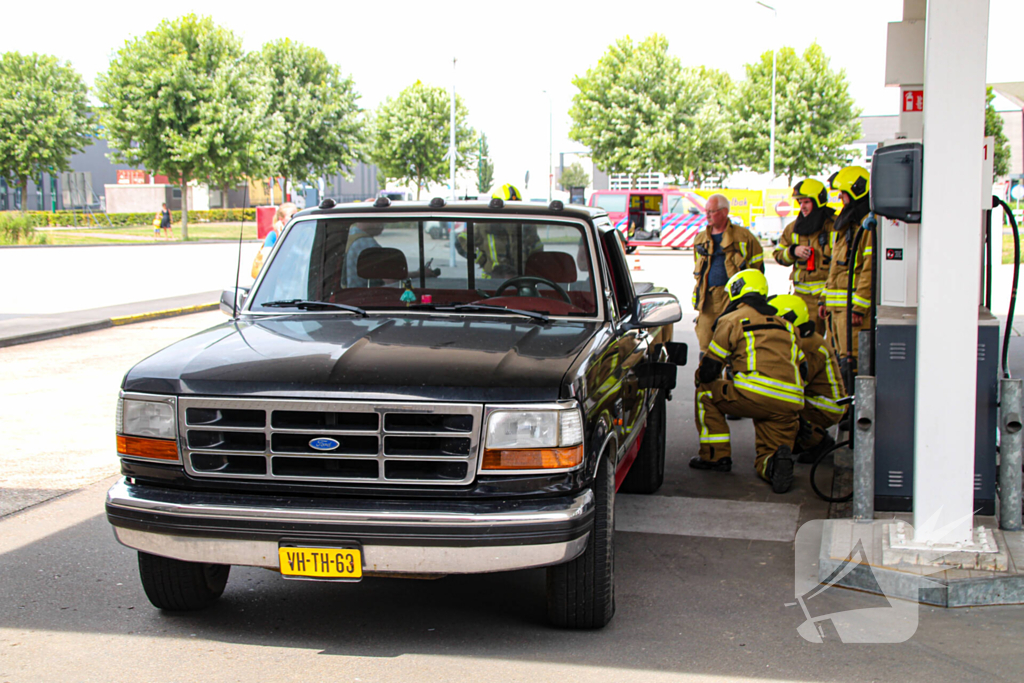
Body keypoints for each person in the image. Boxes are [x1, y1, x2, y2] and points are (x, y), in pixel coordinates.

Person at [690, 269, 805, 493]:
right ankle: (773, 465)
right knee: (768, 450)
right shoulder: (788, 326)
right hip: (789, 403)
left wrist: (703, 377)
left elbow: (710, 370)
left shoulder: (731, 319)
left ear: (736, 291)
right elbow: (804, 370)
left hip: (752, 396)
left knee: (705, 390)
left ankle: (716, 456)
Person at [769, 294, 846, 464]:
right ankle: (801, 438)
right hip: (817, 399)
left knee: (778, 401)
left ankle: (817, 441)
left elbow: (797, 383)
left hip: (826, 406)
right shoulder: (803, 339)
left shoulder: (808, 346)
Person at [692, 194, 764, 353]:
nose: (707, 215)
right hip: (707, 299)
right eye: (706, 211)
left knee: (734, 343)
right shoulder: (700, 239)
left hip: (734, 299)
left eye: (712, 211)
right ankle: (707, 377)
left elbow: (758, 269)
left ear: (724, 212)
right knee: (706, 344)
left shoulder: (744, 237)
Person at [821, 166, 873, 376]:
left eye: (843, 194)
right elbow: (835, 268)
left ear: (856, 191)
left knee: (852, 366)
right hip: (837, 311)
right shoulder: (846, 227)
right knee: (837, 362)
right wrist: (825, 299)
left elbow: (869, 269)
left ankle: (852, 408)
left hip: (852, 313)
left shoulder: (867, 226)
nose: (840, 198)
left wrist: (859, 307)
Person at [772, 179, 836, 335]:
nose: (802, 207)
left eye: (806, 202)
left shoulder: (835, 226)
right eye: (800, 202)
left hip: (831, 296)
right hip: (803, 298)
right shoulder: (792, 228)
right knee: (807, 342)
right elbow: (778, 255)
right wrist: (793, 251)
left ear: (818, 201)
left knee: (835, 344)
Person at [457, 184, 541, 280]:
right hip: (491, 281)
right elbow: (461, 241)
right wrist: (481, 259)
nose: (511, 213)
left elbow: (537, 250)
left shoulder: (527, 227)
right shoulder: (484, 225)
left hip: (521, 279)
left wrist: (532, 270)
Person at [252, 202, 298, 278]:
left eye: (296, 214)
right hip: (277, 279)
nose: (295, 217)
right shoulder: (273, 235)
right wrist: (281, 233)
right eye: (292, 215)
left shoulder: (299, 233)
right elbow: (267, 261)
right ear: (281, 219)